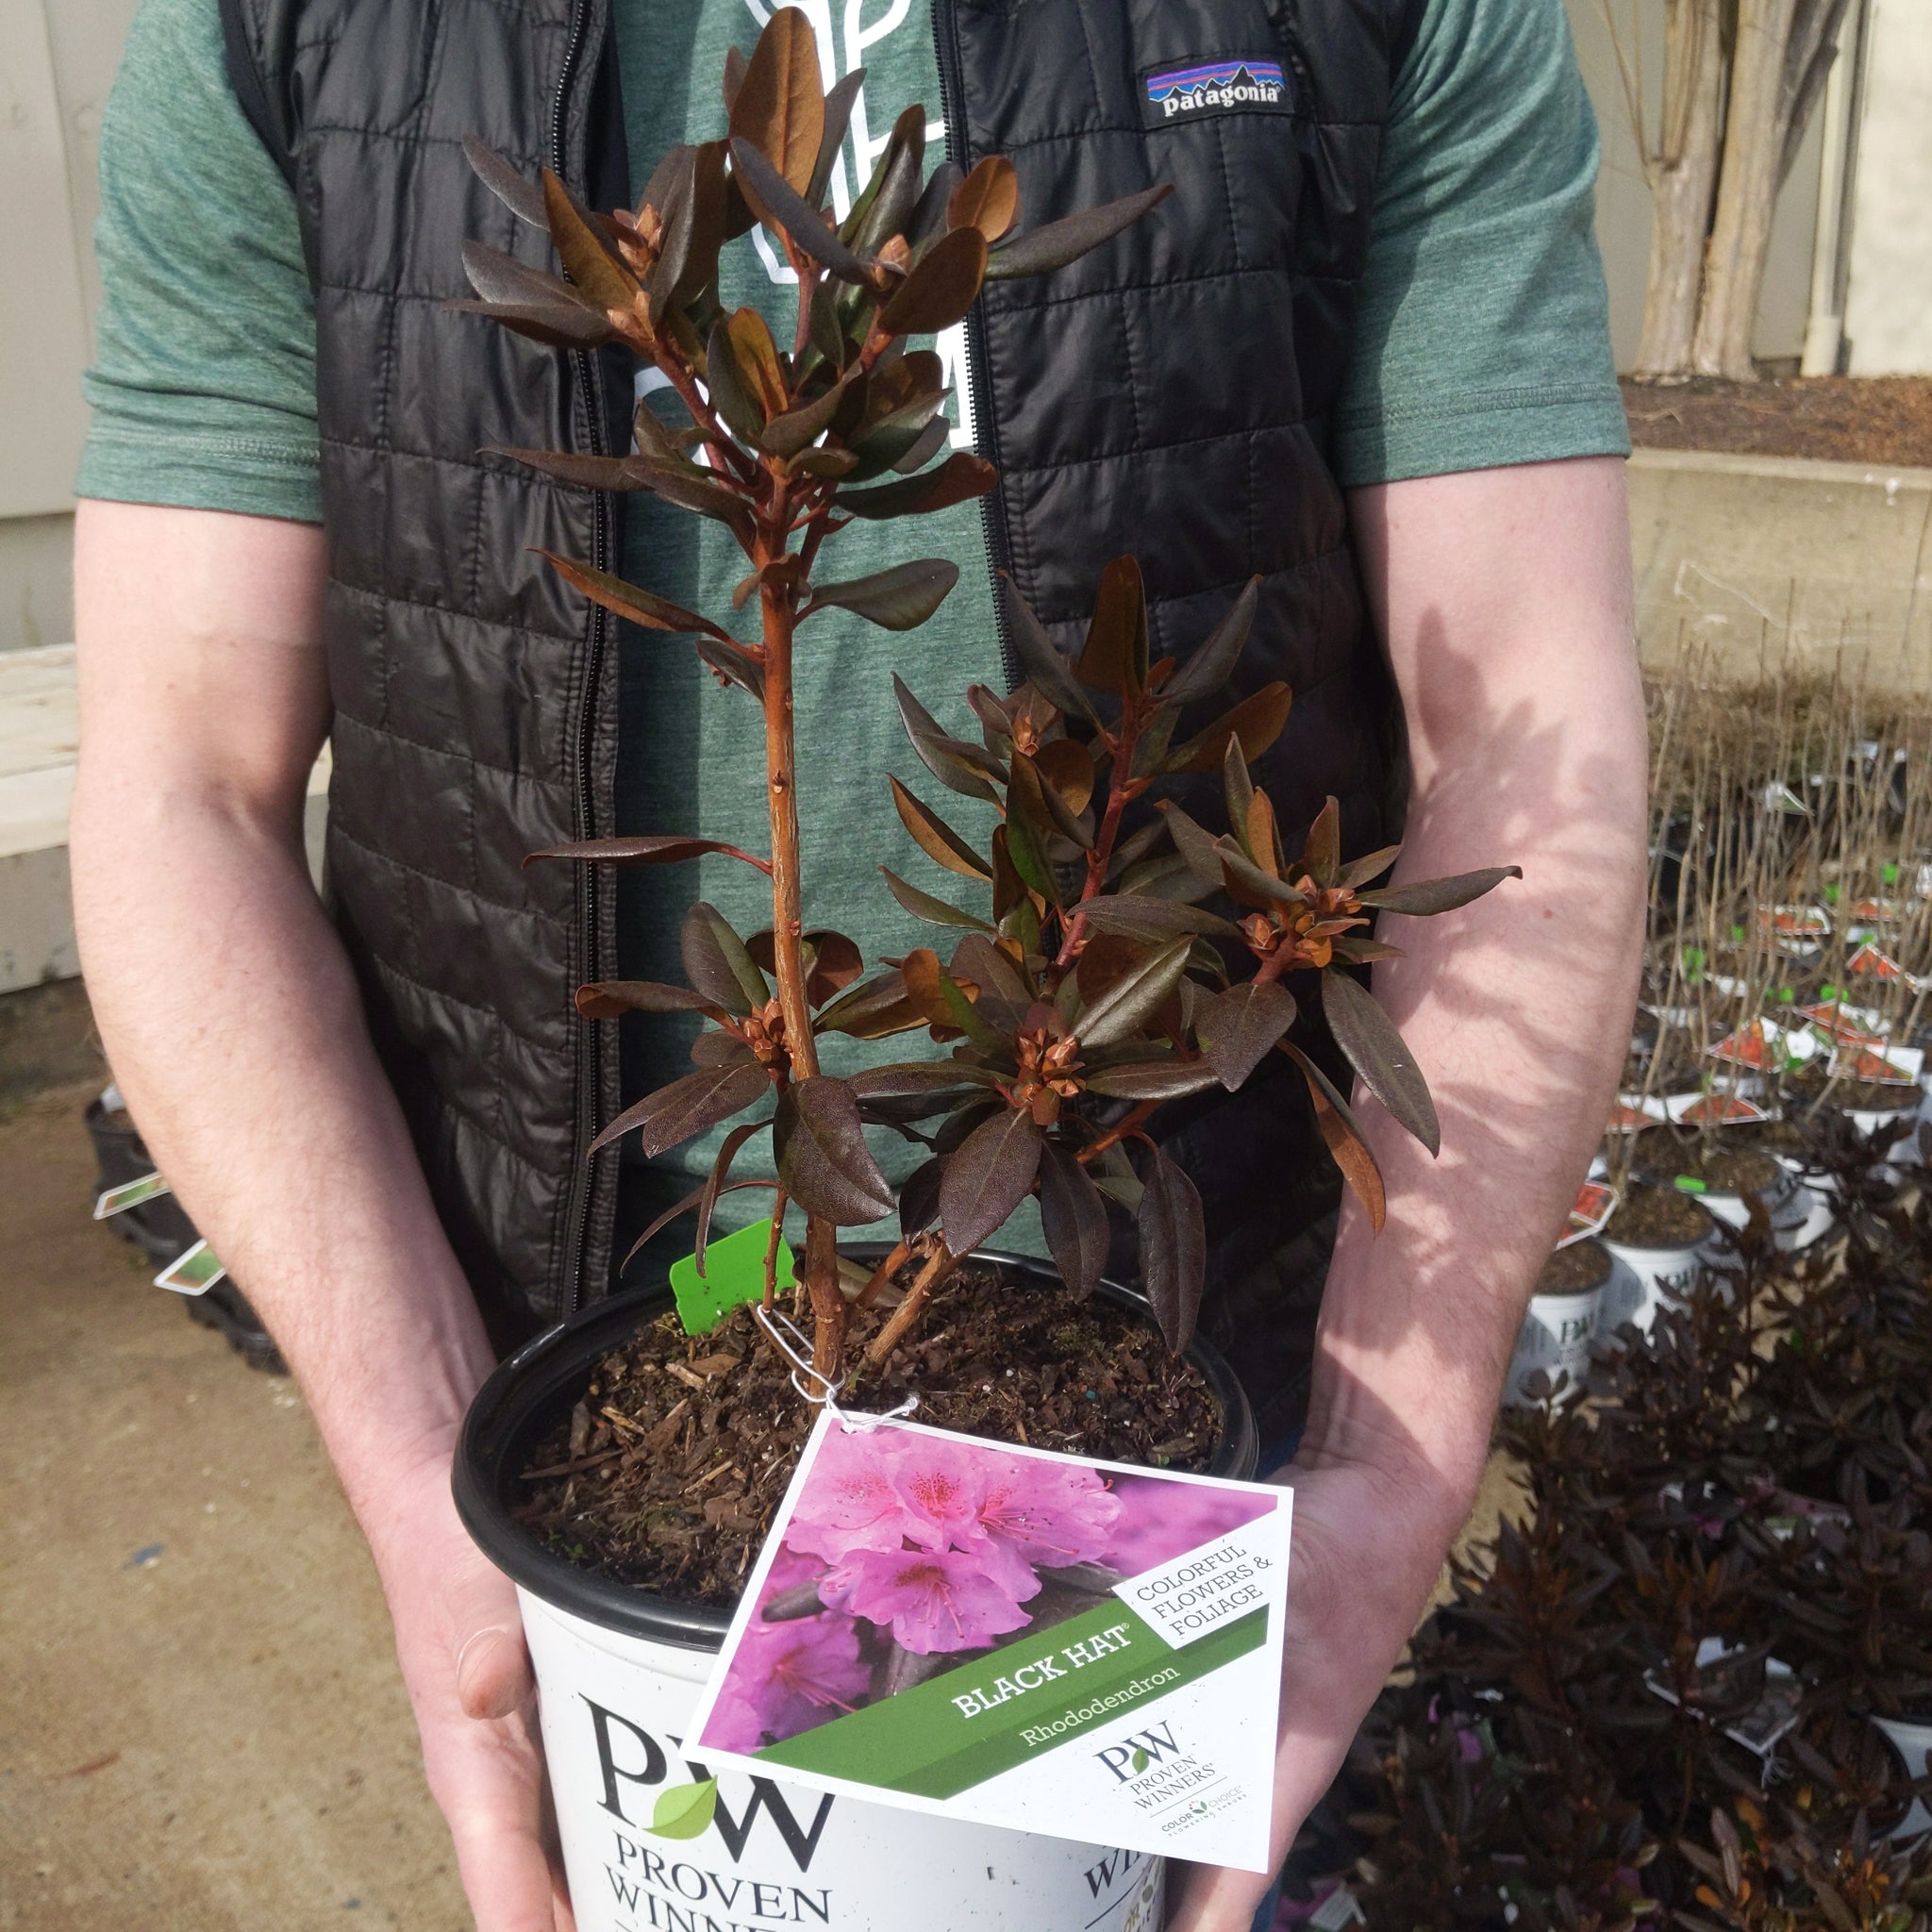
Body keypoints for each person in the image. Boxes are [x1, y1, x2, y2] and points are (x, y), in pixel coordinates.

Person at [68, 0, 1648, 1924]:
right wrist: (422, 1476)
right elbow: (184, 787)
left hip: (1166, 1374)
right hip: (596, 1394)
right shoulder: (287, 27)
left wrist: (1383, 1465)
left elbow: (1526, 741)